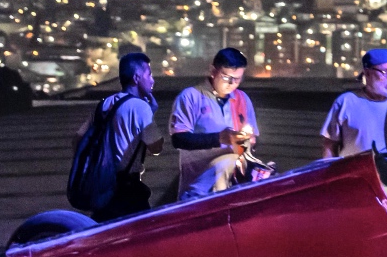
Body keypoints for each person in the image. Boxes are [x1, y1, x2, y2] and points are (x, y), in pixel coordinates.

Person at [73, 52, 163, 221]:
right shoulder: (141, 107)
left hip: (102, 187)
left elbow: (79, 138)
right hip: (128, 190)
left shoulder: (105, 103)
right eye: (149, 74)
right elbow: (156, 147)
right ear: (136, 78)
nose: (152, 80)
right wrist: (151, 113)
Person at [169, 47, 258, 200]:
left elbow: (254, 138)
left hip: (233, 188)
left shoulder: (242, 99)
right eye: (226, 77)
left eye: (237, 79)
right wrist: (219, 138)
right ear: (212, 71)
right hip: (198, 190)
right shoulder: (191, 97)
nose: (232, 84)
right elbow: (179, 139)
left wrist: (248, 141)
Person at [320, 48, 387, 158]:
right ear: (367, 73)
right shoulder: (346, 102)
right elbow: (330, 146)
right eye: (384, 72)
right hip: (354, 174)